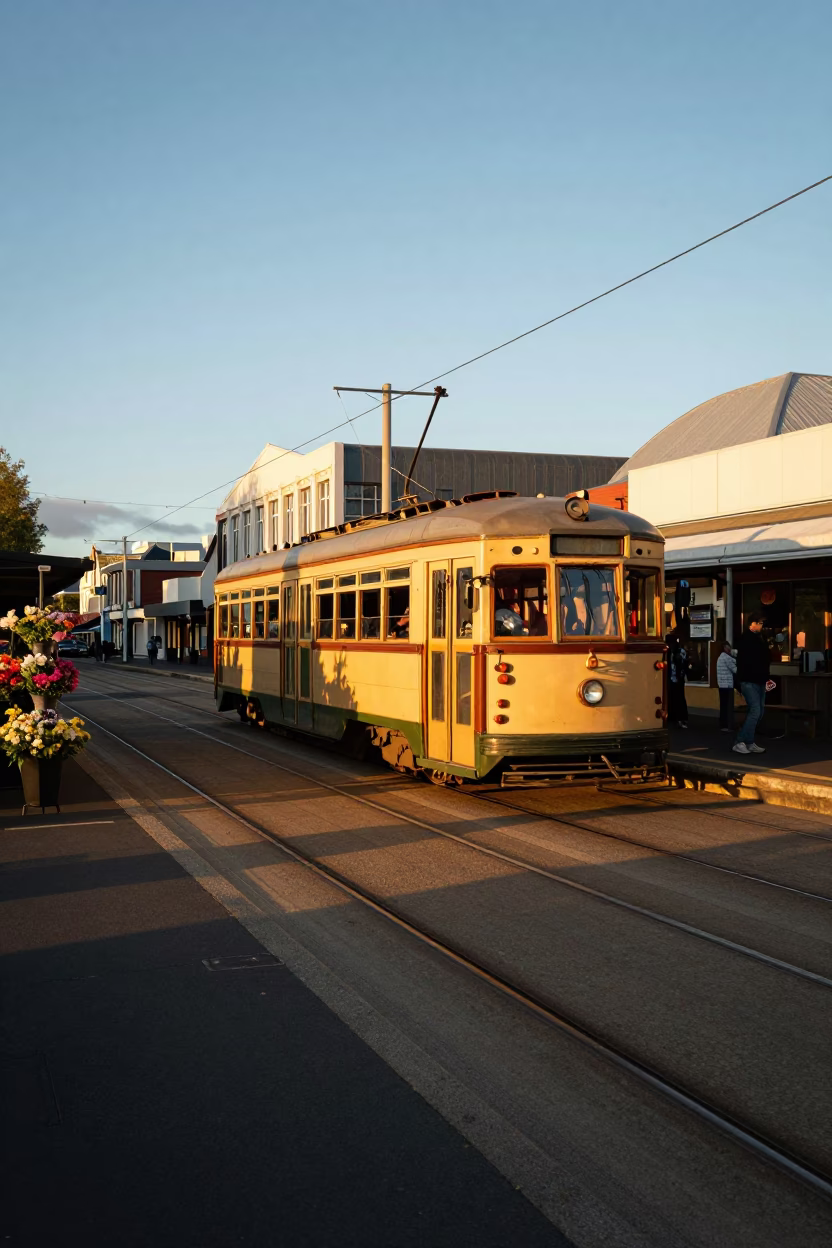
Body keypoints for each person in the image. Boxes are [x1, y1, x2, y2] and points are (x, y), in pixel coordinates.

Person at [734, 613, 770, 755]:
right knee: (755, 710)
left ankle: (749, 741)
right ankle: (740, 741)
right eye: (760, 623)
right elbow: (746, 660)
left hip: (759, 679)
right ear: (752, 624)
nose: (762, 626)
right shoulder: (745, 639)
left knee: (759, 711)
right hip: (749, 679)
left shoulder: (759, 638)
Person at [667, 633, 689, 728]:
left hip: (677, 679)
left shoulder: (679, 652)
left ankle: (681, 718)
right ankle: (675, 718)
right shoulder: (670, 651)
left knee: (679, 699)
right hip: (672, 679)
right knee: (673, 699)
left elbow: (682, 664)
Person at [716, 642, 737, 732]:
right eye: (729, 646)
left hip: (722, 684)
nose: (730, 648)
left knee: (723, 705)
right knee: (727, 706)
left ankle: (723, 725)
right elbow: (735, 670)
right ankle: (726, 725)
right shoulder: (726, 658)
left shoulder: (721, 657)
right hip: (727, 684)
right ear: (725, 647)